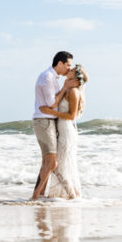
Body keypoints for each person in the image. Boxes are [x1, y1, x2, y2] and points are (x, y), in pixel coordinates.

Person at [30, 51, 79, 200]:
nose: (69, 68)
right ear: (60, 63)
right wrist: (64, 87)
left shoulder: (53, 78)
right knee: (51, 163)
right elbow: (51, 103)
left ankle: (39, 196)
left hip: (49, 121)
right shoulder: (47, 77)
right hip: (44, 121)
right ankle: (35, 197)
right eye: (68, 65)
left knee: (47, 162)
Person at [40, 63, 87, 199]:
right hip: (62, 130)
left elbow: (71, 116)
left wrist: (50, 112)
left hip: (67, 131)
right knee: (60, 165)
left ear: (76, 78)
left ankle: (73, 196)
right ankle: (72, 195)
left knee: (58, 166)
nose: (69, 69)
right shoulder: (67, 89)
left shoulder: (73, 92)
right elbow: (54, 102)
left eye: (72, 70)